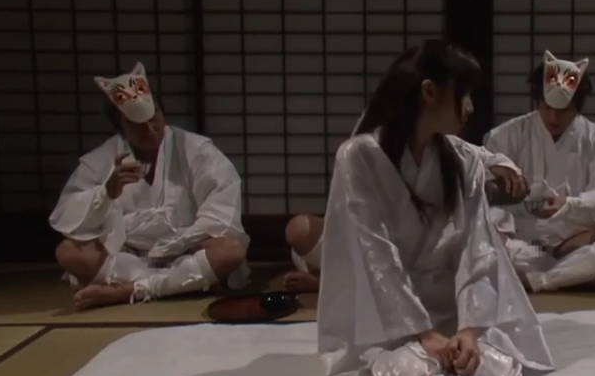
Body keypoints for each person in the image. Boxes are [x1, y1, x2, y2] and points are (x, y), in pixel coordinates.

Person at [316, 40, 554, 376]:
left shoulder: (462, 159)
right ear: (429, 92)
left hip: (456, 313)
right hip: (392, 319)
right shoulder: (359, 156)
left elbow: (477, 250)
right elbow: (377, 256)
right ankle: (408, 354)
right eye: (465, 93)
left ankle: (460, 348)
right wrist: (424, 335)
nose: (471, 106)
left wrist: (469, 333)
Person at [49, 62, 249, 310]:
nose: (150, 129)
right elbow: (70, 220)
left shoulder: (197, 150)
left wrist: (179, 244)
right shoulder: (101, 160)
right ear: (120, 127)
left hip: (186, 250)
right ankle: (178, 285)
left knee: (230, 250)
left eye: (154, 117)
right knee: (68, 252)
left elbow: (221, 213)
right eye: (136, 124)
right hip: (128, 255)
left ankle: (129, 290)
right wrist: (107, 193)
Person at [282, 120, 528, 294]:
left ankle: (330, 284)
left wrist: (503, 167)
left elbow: (486, 158)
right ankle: (334, 282)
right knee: (300, 229)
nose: (469, 108)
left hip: (430, 253)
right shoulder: (368, 148)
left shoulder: (449, 146)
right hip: (374, 242)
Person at [484, 50, 595, 294]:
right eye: (547, 107)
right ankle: (578, 274)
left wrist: (567, 205)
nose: (553, 117)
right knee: (483, 240)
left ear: (577, 107)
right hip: (517, 240)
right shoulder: (505, 136)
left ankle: (542, 280)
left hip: (571, 241)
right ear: (537, 101)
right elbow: (485, 197)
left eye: (563, 110)